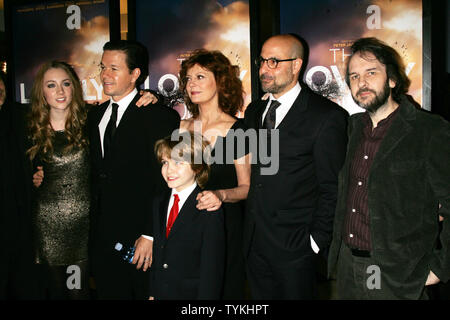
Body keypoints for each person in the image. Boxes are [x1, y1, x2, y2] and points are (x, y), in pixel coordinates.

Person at [327, 37, 450, 300]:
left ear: (392, 79)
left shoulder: (428, 130)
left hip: (397, 273)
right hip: (348, 267)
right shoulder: (351, 129)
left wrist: (441, 267)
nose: (362, 82)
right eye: (354, 76)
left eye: (371, 73)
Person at [243, 34, 348, 299]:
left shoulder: (326, 117)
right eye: (262, 61)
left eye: (274, 61)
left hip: (296, 249)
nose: (264, 69)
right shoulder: (254, 112)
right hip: (254, 243)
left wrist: (314, 242)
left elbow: (332, 187)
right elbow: (241, 163)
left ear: (296, 65)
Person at [88, 40, 180, 299]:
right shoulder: (94, 116)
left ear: (135, 74)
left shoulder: (159, 117)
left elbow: (164, 180)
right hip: (101, 235)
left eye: (114, 68)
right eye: (103, 67)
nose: (105, 75)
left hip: (139, 236)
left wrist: (150, 234)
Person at [178, 49, 251, 299]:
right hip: (185, 226)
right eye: (188, 78)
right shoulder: (182, 126)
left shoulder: (239, 129)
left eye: (200, 76)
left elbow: (246, 188)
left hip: (222, 230)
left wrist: (220, 195)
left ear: (219, 81)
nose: (191, 84)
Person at [149, 131, 225, 300]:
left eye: (178, 162)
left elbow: (212, 268)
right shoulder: (159, 202)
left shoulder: (208, 207)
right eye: (165, 162)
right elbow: (158, 251)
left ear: (197, 166)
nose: (169, 170)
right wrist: (153, 292)